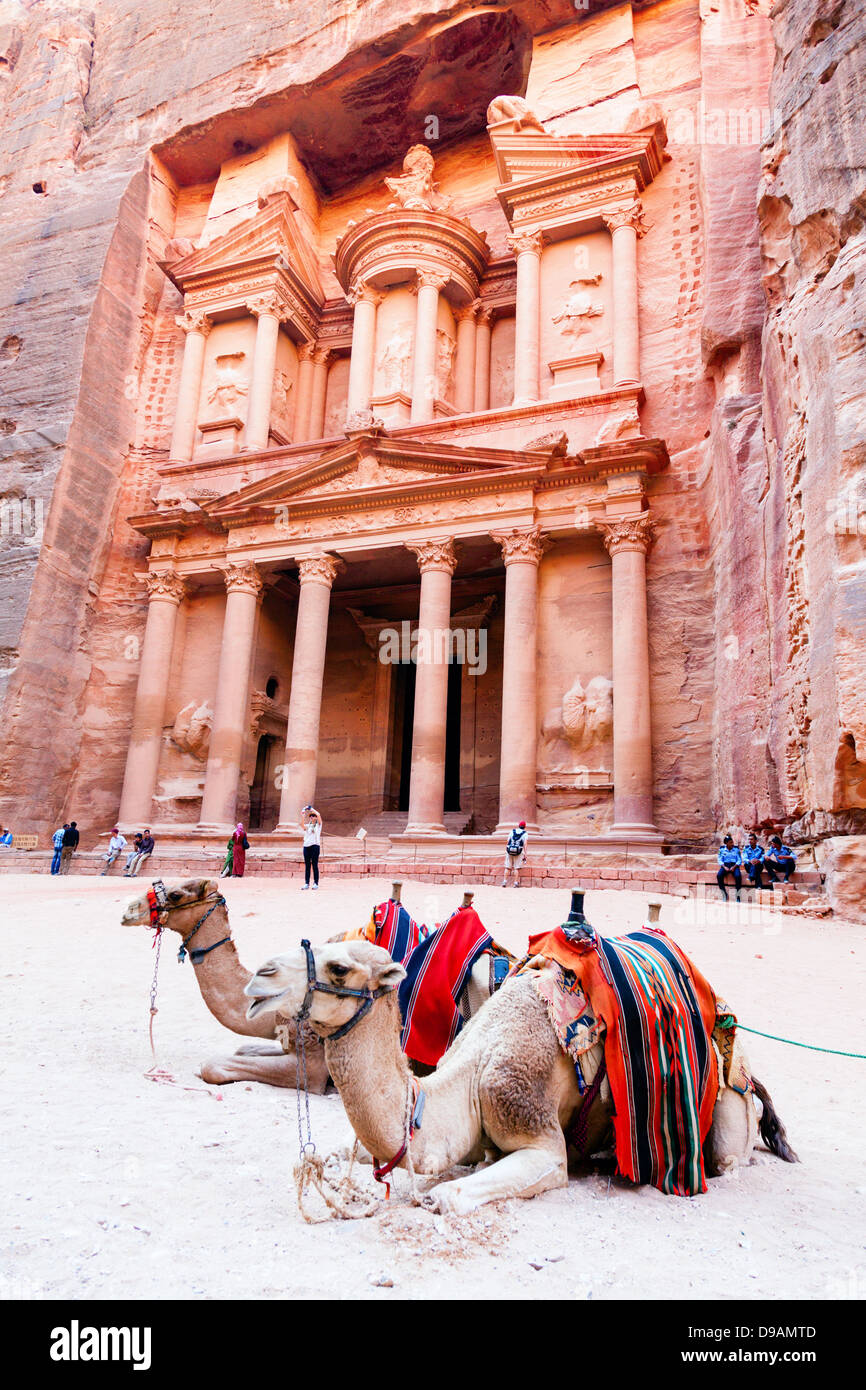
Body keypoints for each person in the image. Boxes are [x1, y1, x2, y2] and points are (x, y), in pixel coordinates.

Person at [502, 820, 528, 888]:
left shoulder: (512, 831)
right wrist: (525, 853)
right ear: (525, 827)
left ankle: (504, 882)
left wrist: (506, 849)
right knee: (516, 868)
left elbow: (508, 841)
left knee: (508, 867)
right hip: (518, 852)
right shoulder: (525, 833)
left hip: (509, 850)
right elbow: (525, 844)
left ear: (519, 825)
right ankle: (515, 883)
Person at [301, 806, 322, 890]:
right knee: (307, 865)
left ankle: (316, 883)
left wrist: (311, 809)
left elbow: (319, 814)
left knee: (314, 864)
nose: (312, 817)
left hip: (315, 845)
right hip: (306, 846)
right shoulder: (308, 825)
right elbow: (302, 825)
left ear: (316, 817)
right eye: (310, 816)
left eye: (313, 816)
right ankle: (306, 883)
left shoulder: (319, 825)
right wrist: (303, 816)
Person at [716, 835, 742, 901]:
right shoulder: (721, 849)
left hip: (734, 865)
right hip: (725, 865)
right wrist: (724, 867)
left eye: (732, 842)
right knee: (719, 875)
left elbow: (739, 860)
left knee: (738, 876)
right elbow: (719, 859)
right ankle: (724, 894)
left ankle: (738, 896)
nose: (732, 844)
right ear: (726, 843)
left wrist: (734, 867)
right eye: (730, 842)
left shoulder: (736, 849)